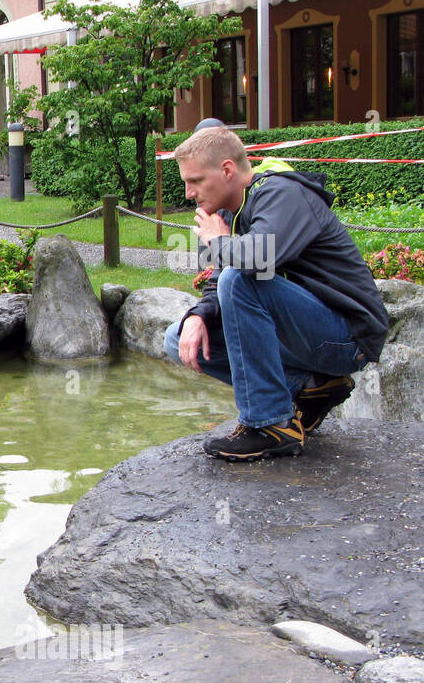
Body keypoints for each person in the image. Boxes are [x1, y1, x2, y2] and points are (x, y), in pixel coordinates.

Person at [162, 126, 389, 461]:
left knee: (239, 281)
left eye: (194, 180)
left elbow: (259, 260)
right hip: (307, 336)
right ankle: (312, 385)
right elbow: (217, 281)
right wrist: (198, 315)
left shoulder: (282, 193)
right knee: (176, 338)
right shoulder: (226, 214)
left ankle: (271, 425)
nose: (188, 193)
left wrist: (220, 243)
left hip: (348, 337)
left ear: (226, 170)